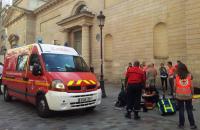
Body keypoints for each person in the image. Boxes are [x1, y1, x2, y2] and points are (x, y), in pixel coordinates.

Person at [175, 63, 197, 129]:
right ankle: (192, 125)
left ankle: (181, 124)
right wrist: (192, 94)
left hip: (179, 95)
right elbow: (192, 86)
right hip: (188, 95)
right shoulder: (190, 75)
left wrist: (175, 92)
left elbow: (174, 86)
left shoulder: (176, 76)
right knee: (189, 110)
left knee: (181, 110)